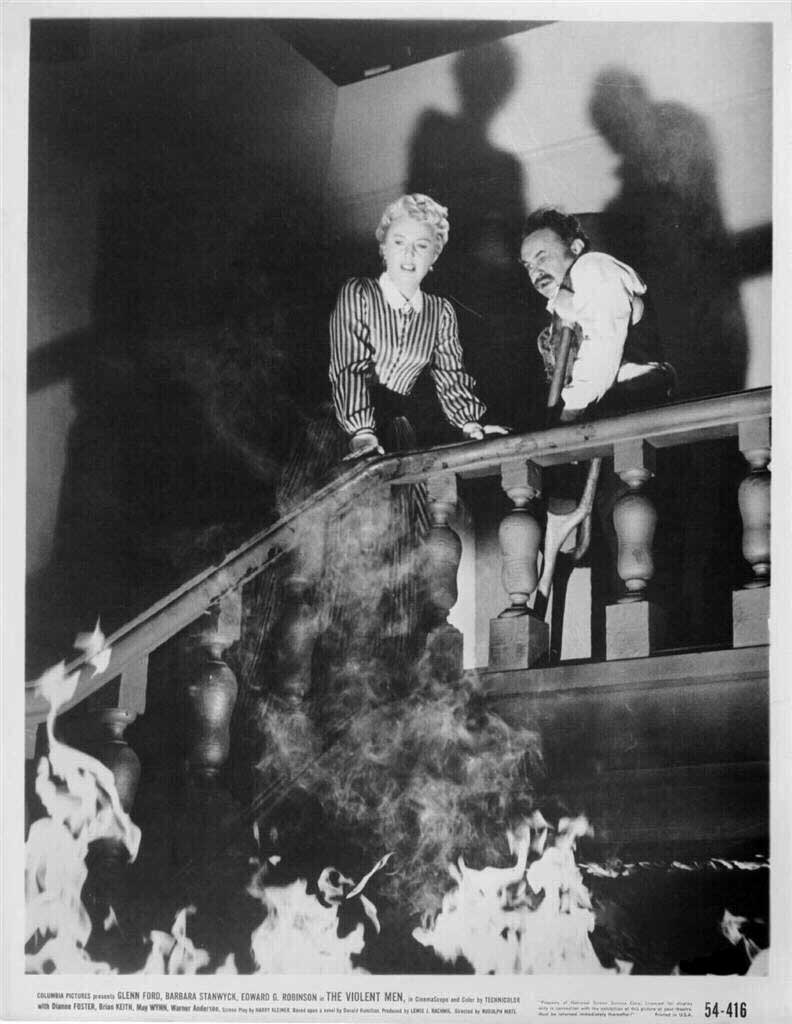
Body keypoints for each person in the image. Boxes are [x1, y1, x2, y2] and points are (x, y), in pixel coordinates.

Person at [329, 193, 507, 459]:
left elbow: (451, 375)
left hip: (397, 431)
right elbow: (349, 367)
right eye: (399, 242)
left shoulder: (440, 311)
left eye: (421, 246)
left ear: (435, 255)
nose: (409, 254)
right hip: (345, 428)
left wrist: (471, 424)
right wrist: (362, 431)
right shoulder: (359, 292)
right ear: (384, 247)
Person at [519, 208, 675, 423]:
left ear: (575, 248)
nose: (535, 272)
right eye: (528, 266)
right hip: (603, 420)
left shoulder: (593, 266)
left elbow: (602, 349)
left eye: (542, 257)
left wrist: (569, 414)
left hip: (636, 414)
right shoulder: (561, 305)